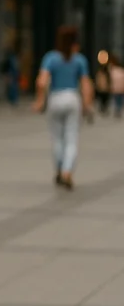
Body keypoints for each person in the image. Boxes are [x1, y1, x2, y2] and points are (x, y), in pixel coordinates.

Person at [34, 26, 94, 190]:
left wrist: (40, 101)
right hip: (72, 98)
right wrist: (87, 104)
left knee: (57, 138)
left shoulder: (51, 58)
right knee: (71, 138)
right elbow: (86, 84)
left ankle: (59, 170)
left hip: (55, 98)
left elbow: (41, 82)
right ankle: (67, 171)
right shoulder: (80, 60)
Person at [110, 54, 124, 118]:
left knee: (117, 99)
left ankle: (118, 109)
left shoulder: (113, 70)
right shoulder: (120, 71)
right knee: (118, 99)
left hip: (117, 88)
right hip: (118, 88)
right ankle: (118, 109)